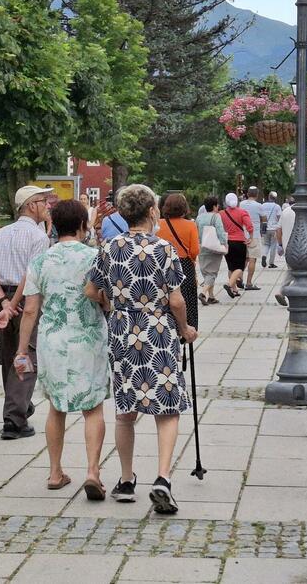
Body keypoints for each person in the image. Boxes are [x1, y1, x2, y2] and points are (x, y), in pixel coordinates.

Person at [87, 184, 198, 514]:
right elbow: (176, 300)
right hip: (158, 330)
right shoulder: (163, 249)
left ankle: (125, 480)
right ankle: (162, 478)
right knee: (168, 407)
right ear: (152, 211)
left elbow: (91, 290)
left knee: (126, 410)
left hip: (123, 331)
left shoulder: (109, 248)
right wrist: (186, 328)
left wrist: (115, 305)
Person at [13, 200, 108, 497]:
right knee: (93, 407)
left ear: (54, 225)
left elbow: (30, 310)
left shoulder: (41, 261)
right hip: (88, 337)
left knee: (56, 407)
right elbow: (104, 299)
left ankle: (55, 472)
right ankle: (93, 471)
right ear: (82, 225)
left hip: (51, 340)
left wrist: (21, 350)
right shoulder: (96, 257)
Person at [0, 185, 53, 440]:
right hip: (26, 299)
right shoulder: (39, 238)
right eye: (43, 201)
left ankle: (19, 407)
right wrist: (14, 304)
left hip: (2, 296)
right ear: (31, 205)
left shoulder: (3, 233)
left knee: (7, 354)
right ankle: (14, 420)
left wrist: (3, 302)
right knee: (25, 354)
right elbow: (30, 275)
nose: (47, 206)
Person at [158, 193, 200, 329]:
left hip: (162, 263)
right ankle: (187, 327)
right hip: (184, 265)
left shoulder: (158, 225)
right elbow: (194, 251)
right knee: (187, 297)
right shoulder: (190, 225)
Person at [274, 199, 307, 307]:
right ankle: (281, 292)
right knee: (295, 270)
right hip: (302, 246)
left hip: (287, 246)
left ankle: (291, 292)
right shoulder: (306, 213)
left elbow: (278, 229)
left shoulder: (285, 211)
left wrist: (281, 244)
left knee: (292, 270)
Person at [219, 193, 253, 299]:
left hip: (227, 242)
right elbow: (249, 226)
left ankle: (234, 290)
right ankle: (229, 285)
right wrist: (250, 237)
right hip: (239, 242)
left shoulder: (221, 213)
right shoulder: (242, 212)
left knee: (231, 267)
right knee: (240, 267)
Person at [196, 196, 227, 306]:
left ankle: (212, 296)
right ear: (214, 206)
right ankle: (203, 293)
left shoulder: (199, 218)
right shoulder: (216, 216)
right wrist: (224, 244)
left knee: (206, 273)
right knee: (212, 273)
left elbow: (196, 232)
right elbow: (220, 231)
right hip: (213, 248)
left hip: (202, 247)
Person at [240, 186, 265, 289]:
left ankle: (239, 279)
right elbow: (264, 218)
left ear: (248, 194)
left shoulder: (241, 204)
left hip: (243, 234)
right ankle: (249, 283)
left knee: (244, 259)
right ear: (257, 194)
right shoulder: (259, 205)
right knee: (252, 259)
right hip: (254, 234)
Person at [261, 191, 283, 268]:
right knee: (273, 245)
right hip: (274, 228)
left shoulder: (263, 205)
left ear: (269, 197)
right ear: (275, 198)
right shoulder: (277, 206)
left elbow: (261, 216)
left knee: (266, 244)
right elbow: (279, 217)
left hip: (265, 228)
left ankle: (264, 255)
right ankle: (271, 263)